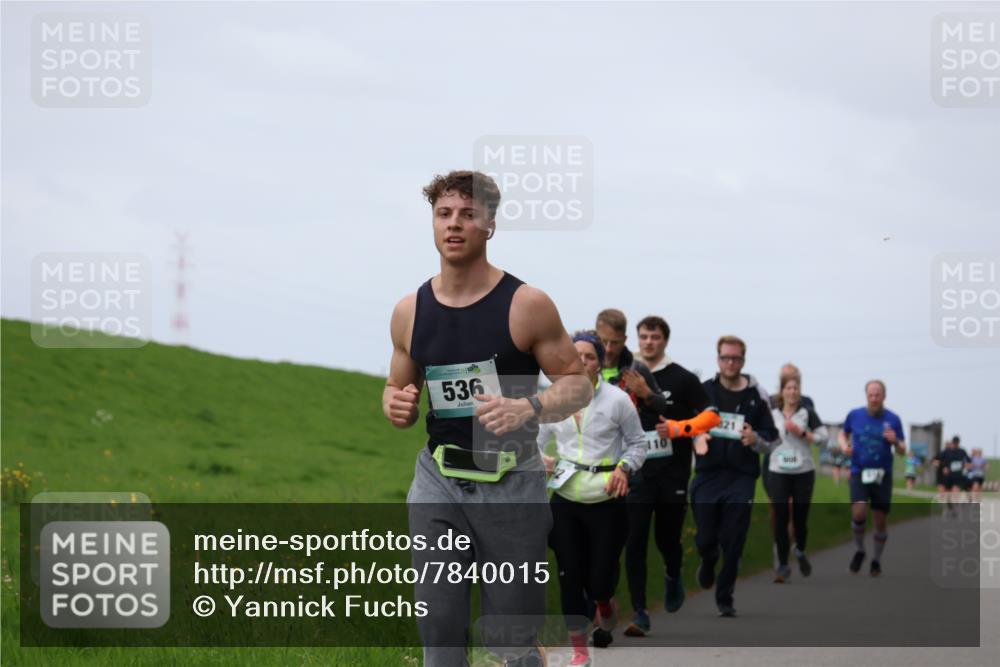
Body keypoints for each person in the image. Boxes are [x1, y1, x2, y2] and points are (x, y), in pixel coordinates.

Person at [383, 170, 593, 667]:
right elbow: (397, 389)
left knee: (511, 640)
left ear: (490, 225)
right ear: (433, 223)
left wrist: (531, 406)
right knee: (439, 627)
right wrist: (395, 403)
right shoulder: (409, 311)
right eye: (443, 214)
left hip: (512, 481)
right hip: (438, 480)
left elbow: (577, 384)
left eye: (467, 215)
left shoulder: (526, 305)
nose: (454, 225)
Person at [537, 331, 646, 665]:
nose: (582, 361)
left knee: (599, 578)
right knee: (569, 573)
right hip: (566, 498)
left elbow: (638, 444)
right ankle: (579, 651)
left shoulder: (617, 400)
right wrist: (541, 458)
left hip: (607, 499)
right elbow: (533, 441)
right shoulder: (553, 399)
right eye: (576, 355)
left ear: (600, 362)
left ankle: (603, 603)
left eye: (589, 356)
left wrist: (624, 469)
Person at [619, 316, 714, 636]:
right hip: (637, 473)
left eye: (655, 337)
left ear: (665, 341)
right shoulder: (623, 373)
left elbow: (710, 415)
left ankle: (674, 574)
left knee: (667, 538)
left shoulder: (683, 378)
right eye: (644, 336)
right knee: (634, 541)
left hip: (672, 472)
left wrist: (680, 428)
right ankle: (640, 611)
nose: (648, 342)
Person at [692, 335, 779, 617]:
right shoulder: (703, 392)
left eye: (736, 358)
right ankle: (708, 559)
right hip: (707, 474)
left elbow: (773, 438)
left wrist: (755, 438)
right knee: (706, 538)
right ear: (717, 359)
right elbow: (683, 426)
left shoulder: (755, 397)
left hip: (741, 477)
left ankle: (725, 595)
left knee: (734, 538)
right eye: (725, 357)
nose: (731, 363)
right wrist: (696, 436)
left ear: (743, 361)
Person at [839, 380, 905, 577]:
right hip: (859, 471)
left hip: (882, 474)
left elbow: (902, 450)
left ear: (884, 396)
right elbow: (843, 435)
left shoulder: (893, 419)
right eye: (871, 395)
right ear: (866, 396)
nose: (874, 398)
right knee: (859, 512)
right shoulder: (855, 415)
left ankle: (876, 560)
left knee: (880, 520)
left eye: (878, 395)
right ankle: (860, 550)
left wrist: (895, 442)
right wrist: (844, 447)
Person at [768, 374, 827, 582]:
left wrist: (804, 434)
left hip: (803, 471)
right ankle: (783, 565)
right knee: (780, 518)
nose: (792, 392)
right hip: (778, 471)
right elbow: (763, 434)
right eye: (789, 388)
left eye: (796, 388)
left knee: (800, 519)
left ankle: (800, 550)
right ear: (781, 391)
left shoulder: (807, 413)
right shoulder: (772, 413)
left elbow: (823, 438)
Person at [934, 436, 971, 516]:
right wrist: (942, 467)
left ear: (958, 443)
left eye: (956, 443)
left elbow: (968, 461)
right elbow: (937, 459)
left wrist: (967, 466)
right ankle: (948, 507)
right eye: (954, 443)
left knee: (955, 492)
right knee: (947, 496)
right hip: (948, 478)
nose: (955, 444)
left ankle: (955, 510)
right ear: (952, 442)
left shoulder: (962, 451)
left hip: (958, 477)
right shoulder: (946, 451)